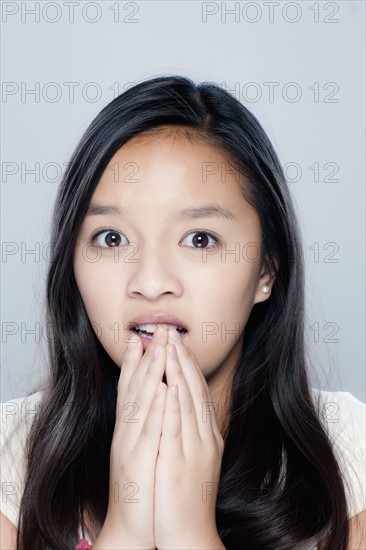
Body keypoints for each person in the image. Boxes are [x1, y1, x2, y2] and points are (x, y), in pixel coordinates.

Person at [0, 75, 365, 550]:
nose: (151, 283)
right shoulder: (12, 453)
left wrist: (190, 535)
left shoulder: (348, 451)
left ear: (266, 271)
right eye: (112, 238)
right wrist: (126, 531)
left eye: (200, 239)